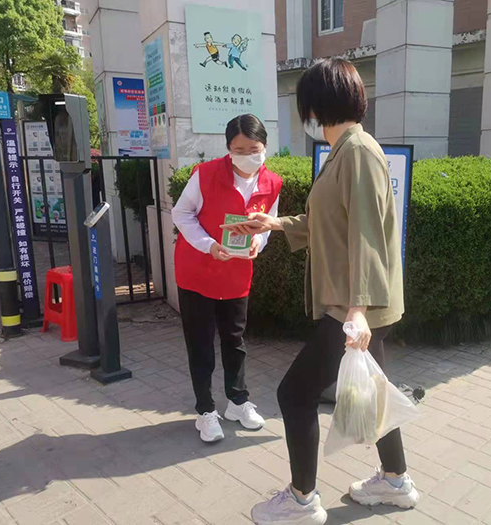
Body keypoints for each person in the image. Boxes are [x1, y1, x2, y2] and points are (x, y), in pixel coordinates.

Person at [232, 59, 418, 525]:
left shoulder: (357, 152)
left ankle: (301, 500)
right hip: (359, 304)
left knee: (294, 395)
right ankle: (395, 481)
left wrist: (357, 310)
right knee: (374, 394)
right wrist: (274, 222)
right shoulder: (344, 150)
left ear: (315, 105)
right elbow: (326, 222)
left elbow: (366, 233)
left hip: (352, 306)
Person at [172, 114, 281, 442]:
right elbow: (181, 213)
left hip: (236, 274)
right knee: (201, 344)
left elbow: (269, 223)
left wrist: (258, 243)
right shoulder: (205, 175)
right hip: (198, 272)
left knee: (235, 340)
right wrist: (208, 245)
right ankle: (205, 411)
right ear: (228, 149)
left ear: (265, 147)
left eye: (254, 149)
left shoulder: (272, 183)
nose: (247, 156)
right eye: (239, 150)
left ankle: (237, 401)